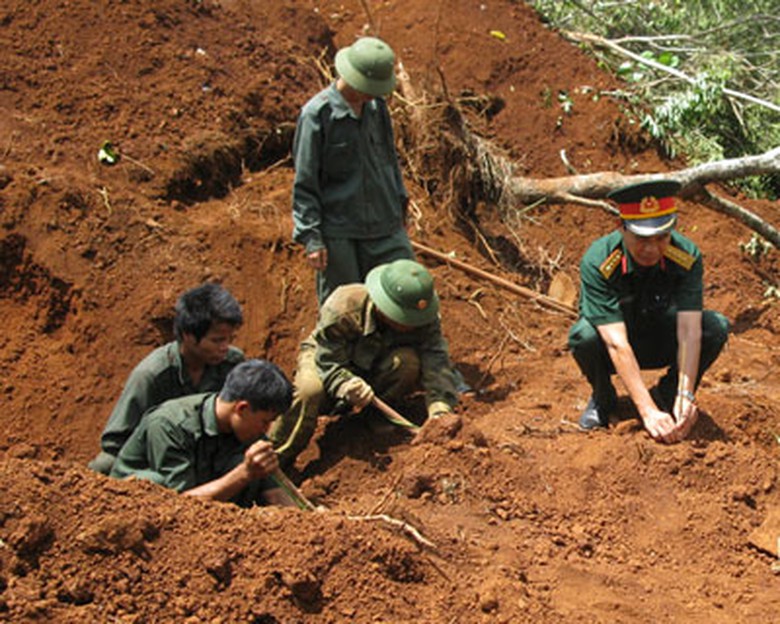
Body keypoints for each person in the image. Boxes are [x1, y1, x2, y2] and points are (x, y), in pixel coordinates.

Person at [568, 179, 729, 443]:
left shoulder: (686, 255)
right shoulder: (600, 260)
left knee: (714, 326)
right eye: (642, 239)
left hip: (659, 339)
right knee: (583, 336)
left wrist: (685, 394)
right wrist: (647, 412)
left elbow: (689, 331)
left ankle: (668, 394)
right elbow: (616, 342)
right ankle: (603, 398)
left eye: (662, 237)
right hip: (616, 348)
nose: (652, 249)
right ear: (621, 227)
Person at [270, 259, 460, 467]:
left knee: (407, 364)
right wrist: (345, 384)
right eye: (402, 318)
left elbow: (437, 361)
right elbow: (328, 360)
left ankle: (374, 417)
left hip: (377, 360)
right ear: (383, 306)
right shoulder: (343, 304)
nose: (410, 325)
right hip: (328, 358)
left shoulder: (423, 316)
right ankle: (277, 459)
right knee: (309, 390)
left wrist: (440, 411)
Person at [291, 35, 415, 305]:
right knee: (346, 311)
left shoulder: (376, 108)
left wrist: (400, 203)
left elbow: (389, 160)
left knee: (403, 299)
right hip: (341, 232)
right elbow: (305, 181)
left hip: (386, 225)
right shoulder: (317, 115)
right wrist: (311, 238)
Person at [89, 283, 245, 475]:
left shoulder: (232, 364)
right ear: (188, 336)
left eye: (229, 339)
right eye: (217, 340)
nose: (225, 347)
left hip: (207, 455)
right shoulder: (151, 375)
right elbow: (115, 444)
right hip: (159, 458)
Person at [111, 359, 296, 507]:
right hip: (132, 509)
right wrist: (244, 473)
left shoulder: (247, 431)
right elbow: (179, 505)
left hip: (198, 493)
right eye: (265, 422)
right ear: (242, 409)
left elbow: (274, 493)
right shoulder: (170, 425)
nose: (267, 430)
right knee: (154, 483)